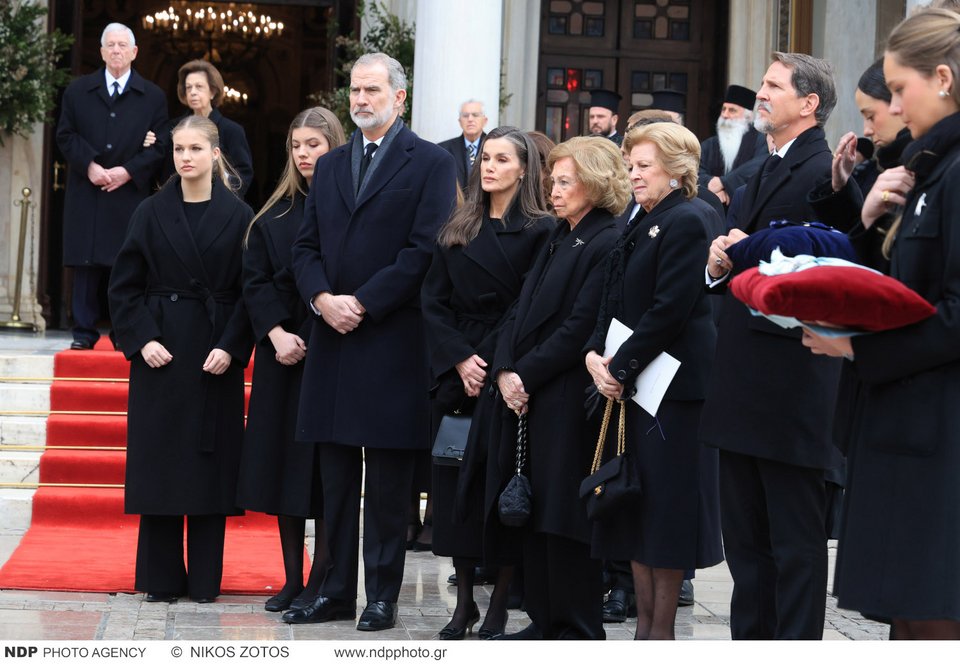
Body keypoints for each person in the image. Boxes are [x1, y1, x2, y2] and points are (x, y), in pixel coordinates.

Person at [802, 7, 960, 639]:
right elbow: (894, 285)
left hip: (940, 437)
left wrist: (854, 351)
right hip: (904, 427)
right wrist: (863, 222)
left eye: (899, 90)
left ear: (943, 78)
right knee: (907, 614)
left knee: (934, 612)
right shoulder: (927, 168)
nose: (892, 106)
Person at [286, 53, 457, 631]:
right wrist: (321, 300)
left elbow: (424, 249)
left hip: (390, 340)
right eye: (355, 90)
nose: (360, 99)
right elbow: (305, 246)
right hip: (332, 342)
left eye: (372, 90)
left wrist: (362, 302)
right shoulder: (330, 165)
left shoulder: (431, 163)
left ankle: (381, 593)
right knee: (334, 478)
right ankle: (334, 590)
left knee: (387, 482)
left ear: (399, 97)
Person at [701, 52, 842, 639]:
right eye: (762, 84)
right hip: (741, 384)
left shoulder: (823, 173)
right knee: (748, 549)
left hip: (790, 388)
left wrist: (741, 249)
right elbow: (740, 252)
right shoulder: (764, 165)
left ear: (808, 104)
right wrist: (719, 262)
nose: (760, 94)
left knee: (793, 547)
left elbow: (825, 266)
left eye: (772, 86)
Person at [585, 122, 723, 640]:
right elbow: (612, 294)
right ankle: (644, 628)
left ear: (676, 170)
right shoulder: (639, 217)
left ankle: (659, 634)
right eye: (631, 164)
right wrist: (595, 355)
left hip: (673, 394)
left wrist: (619, 368)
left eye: (644, 166)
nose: (633, 174)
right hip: (636, 385)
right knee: (637, 513)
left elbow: (670, 309)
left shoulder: (688, 218)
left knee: (666, 516)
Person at [107, 115, 253, 603]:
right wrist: (141, 339)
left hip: (213, 355)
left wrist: (232, 347)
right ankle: (161, 579)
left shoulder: (240, 216)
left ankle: (206, 580)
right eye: (177, 149)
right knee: (162, 464)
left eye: (194, 148)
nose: (185, 157)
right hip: (161, 357)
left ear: (215, 153)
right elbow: (123, 285)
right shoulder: (149, 211)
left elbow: (249, 292)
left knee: (208, 468)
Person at [491, 136, 629, 639]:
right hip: (531, 391)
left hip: (569, 394)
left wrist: (523, 374)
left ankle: (573, 624)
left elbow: (579, 326)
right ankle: (544, 617)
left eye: (564, 181)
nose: (552, 190)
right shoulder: (557, 232)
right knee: (537, 510)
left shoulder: (606, 238)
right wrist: (505, 368)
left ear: (593, 183)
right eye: (552, 181)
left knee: (565, 516)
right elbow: (520, 308)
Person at [422, 126, 552, 640]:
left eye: (502, 159)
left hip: (507, 366)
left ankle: (499, 600)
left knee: (498, 485)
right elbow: (432, 299)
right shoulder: (458, 224)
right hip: (459, 372)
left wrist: (489, 362)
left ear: (524, 169)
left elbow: (530, 306)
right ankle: (465, 604)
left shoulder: (541, 230)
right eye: (486, 159)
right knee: (455, 487)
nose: (490, 167)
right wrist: (459, 359)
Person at [236, 107, 346, 613]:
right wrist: (277, 333)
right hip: (281, 356)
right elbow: (255, 281)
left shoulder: (347, 211)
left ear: (334, 147)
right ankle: (291, 577)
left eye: (314, 145)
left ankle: (325, 576)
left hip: (332, 355)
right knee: (284, 470)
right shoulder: (272, 215)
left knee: (326, 474)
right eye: (297, 145)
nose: (303, 154)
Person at [56, 22, 168, 350]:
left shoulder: (153, 96)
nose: (116, 50)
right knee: (86, 264)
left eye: (123, 45)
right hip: (87, 190)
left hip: (128, 194)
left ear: (134, 52)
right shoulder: (78, 91)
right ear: (102, 51)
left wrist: (128, 171)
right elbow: (65, 134)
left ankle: (124, 331)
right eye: (111, 45)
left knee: (127, 264)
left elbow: (161, 145)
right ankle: (83, 333)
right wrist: (88, 165)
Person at [156, 60, 254, 198]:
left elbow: (243, 173)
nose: (193, 92)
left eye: (199, 86)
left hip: (218, 204)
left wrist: (223, 198)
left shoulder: (231, 130)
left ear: (213, 92)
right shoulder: (172, 127)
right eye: (188, 87)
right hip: (176, 201)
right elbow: (163, 167)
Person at [698, 85, 768, 206]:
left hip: (745, 207)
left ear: (748, 116)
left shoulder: (762, 142)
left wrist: (724, 183)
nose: (725, 115)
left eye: (732, 110)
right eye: (723, 109)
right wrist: (710, 185)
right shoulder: (710, 144)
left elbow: (760, 166)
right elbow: (694, 168)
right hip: (710, 207)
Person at [438, 100, 489, 190]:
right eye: (465, 116)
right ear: (460, 121)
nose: (470, 119)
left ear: (485, 121)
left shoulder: (494, 147)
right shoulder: (443, 149)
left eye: (475, 115)